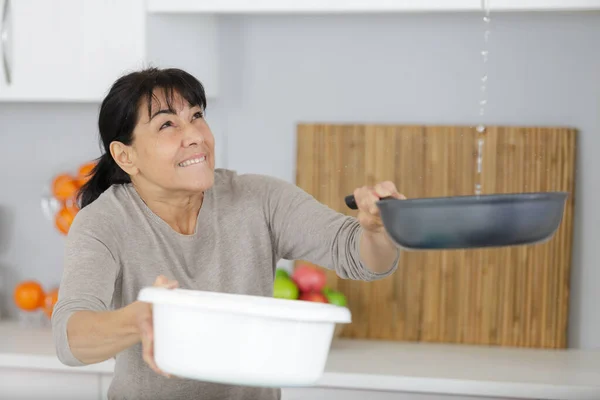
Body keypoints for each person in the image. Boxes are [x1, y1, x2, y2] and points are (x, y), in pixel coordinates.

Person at [51, 67, 405, 400]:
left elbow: (360, 257)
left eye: (197, 116)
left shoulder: (260, 199)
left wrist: (376, 230)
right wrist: (138, 318)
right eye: (167, 125)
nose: (194, 136)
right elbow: (71, 339)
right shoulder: (103, 222)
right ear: (125, 156)